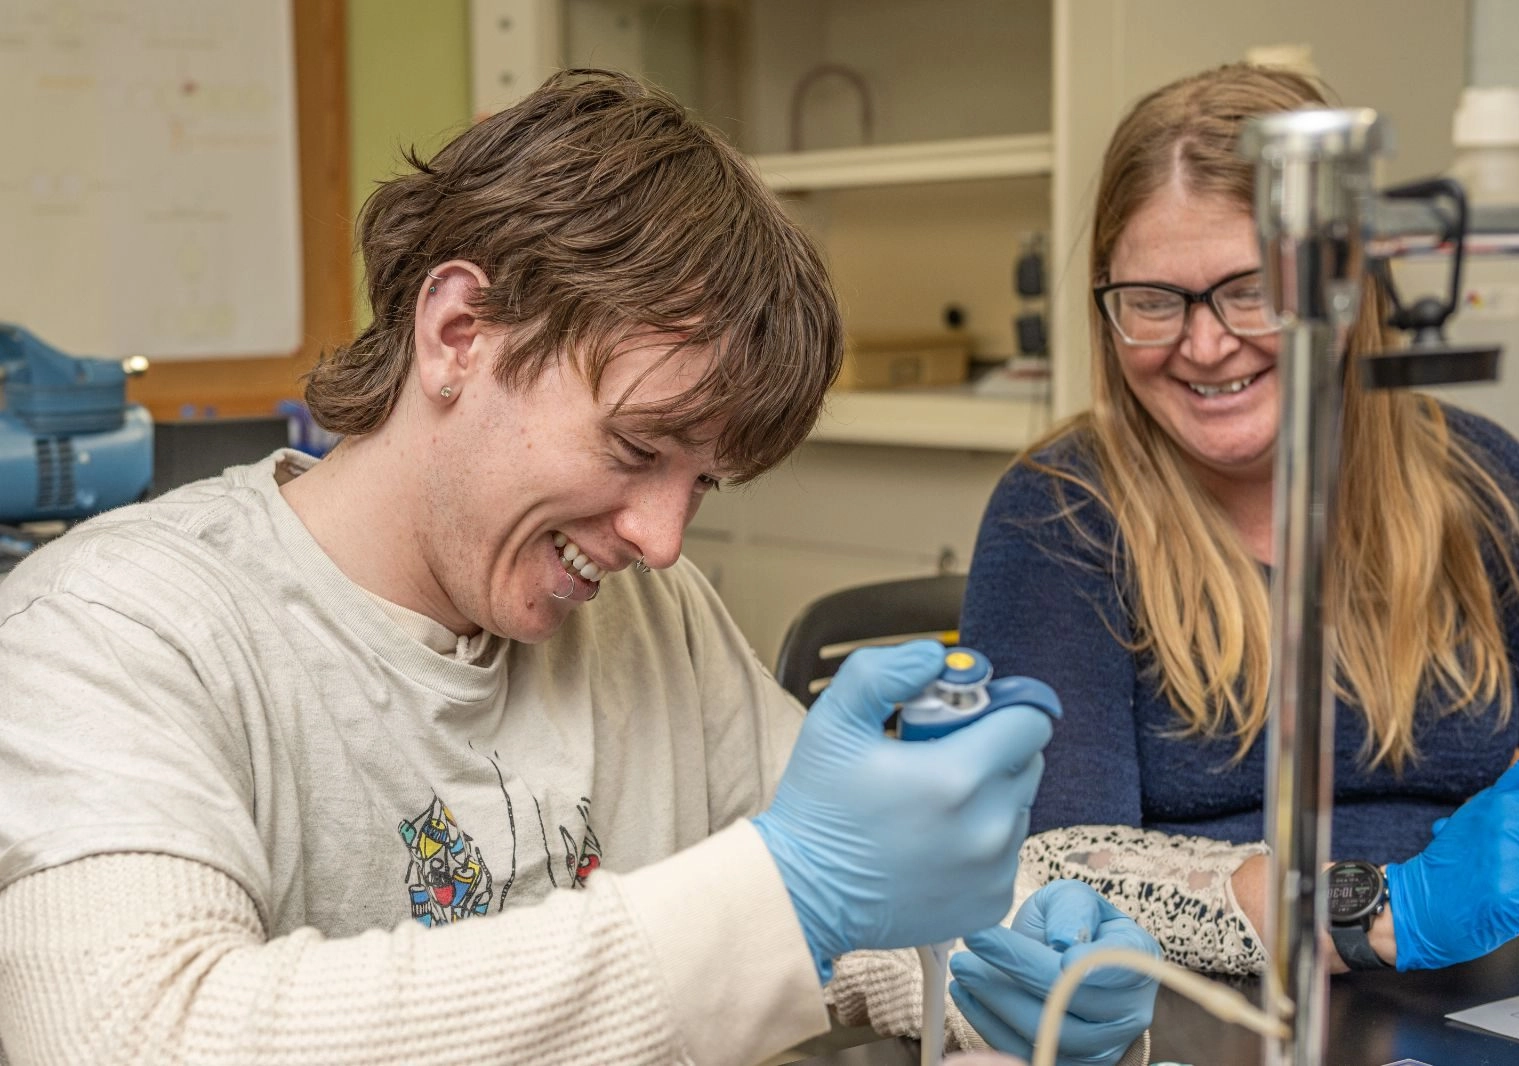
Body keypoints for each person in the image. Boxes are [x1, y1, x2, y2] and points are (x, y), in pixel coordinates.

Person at [0, 71, 1159, 1066]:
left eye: (701, 482)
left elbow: (849, 915)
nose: (661, 539)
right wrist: (787, 899)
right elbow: (134, 1035)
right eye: (637, 448)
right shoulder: (114, 625)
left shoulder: (655, 618)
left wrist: (1004, 968)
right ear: (460, 333)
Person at [963, 62, 1519, 979]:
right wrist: (1385, 906)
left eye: (1251, 288)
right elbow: (1054, 886)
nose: (1207, 343)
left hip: (1492, 1008)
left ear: (1347, 281)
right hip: (1202, 1019)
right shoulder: (1062, 517)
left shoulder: (1483, 485)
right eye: (1152, 300)